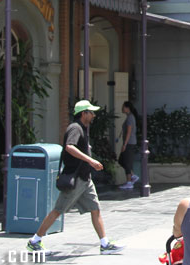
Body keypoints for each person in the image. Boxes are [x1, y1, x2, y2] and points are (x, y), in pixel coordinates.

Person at [27, 100, 123, 254]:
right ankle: (35, 241)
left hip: (85, 179)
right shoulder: (75, 128)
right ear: (83, 113)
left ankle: (105, 244)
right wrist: (91, 160)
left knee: (95, 209)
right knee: (58, 210)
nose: (93, 115)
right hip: (77, 179)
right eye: (91, 112)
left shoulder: (83, 128)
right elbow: (69, 147)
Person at [117, 101, 140, 191]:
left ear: (127, 108)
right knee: (121, 160)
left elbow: (129, 132)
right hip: (130, 143)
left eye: (123, 107)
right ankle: (133, 176)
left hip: (129, 143)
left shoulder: (130, 118)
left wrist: (125, 144)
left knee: (126, 162)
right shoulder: (129, 117)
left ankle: (129, 182)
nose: (122, 108)